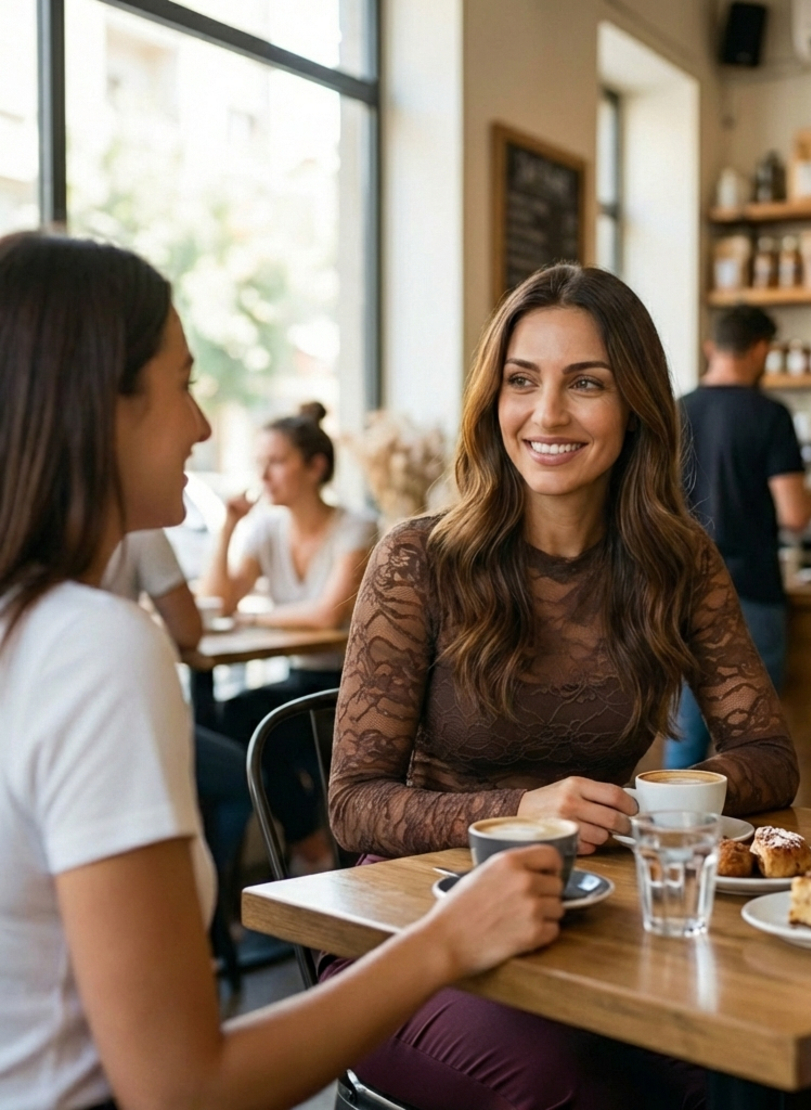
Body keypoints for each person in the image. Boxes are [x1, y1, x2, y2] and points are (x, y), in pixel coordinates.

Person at [0, 230, 566, 1110]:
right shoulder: (91, 646)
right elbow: (181, 1085)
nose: (198, 422)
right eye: (183, 383)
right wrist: (448, 938)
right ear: (93, 402)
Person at [325, 263, 801, 1110]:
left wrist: (657, 803)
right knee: (566, 1089)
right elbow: (355, 803)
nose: (547, 415)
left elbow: (769, 755)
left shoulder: (678, 561)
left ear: (636, 408)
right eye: (521, 382)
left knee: (767, 1075)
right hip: (407, 925)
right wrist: (525, 812)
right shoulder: (417, 558)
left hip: (588, 915)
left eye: (586, 383)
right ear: (492, 400)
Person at [200, 403, 376, 870]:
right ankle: (308, 842)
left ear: (315, 466)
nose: (264, 475)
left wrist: (256, 619)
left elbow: (326, 616)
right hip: (303, 679)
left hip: (349, 686)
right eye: (260, 463)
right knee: (232, 718)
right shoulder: (264, 528)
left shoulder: (355, 527)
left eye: (276, 462)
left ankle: (312, 845)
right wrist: (228, 527)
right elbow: (219, 602)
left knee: (254, 722)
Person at [665, 305, 811, 771]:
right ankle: (740, 841)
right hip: (752, 590)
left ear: (713, 348)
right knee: (750, 741)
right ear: (760, 349)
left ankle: (672, 836)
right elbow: (794, 513)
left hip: (680, 588)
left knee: (685, 735)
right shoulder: (769, 415)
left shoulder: (676, 411)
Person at [101, 528, 252, 874]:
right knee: (240, 773)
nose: (184, 473)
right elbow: (188, 630)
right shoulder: (139, 527)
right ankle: (214, 908)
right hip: (125, 728)